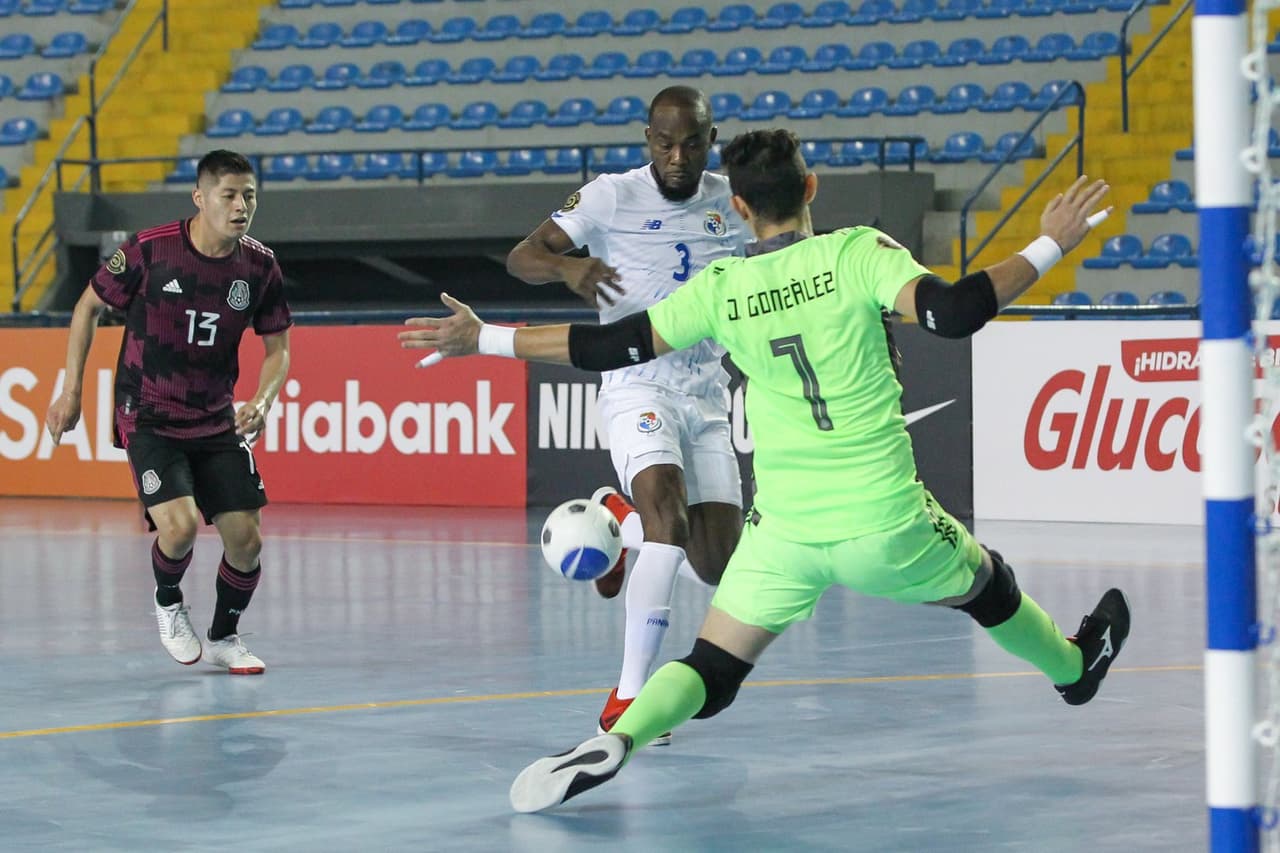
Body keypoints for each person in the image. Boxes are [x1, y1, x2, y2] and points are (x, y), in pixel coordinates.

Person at [399, 128, 1129, 814]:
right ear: (811, 187)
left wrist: (484, 337)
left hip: (783, 533)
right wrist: (1048, 243)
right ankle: (1072, 667)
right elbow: (952, 312)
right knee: (987, 584)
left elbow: (610, 346)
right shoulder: (858, 253)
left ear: (739, 208)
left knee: (714, 661)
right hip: (886, 521)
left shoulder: (724, 288)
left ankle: (621, 735)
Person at [504, 85, 751, 741]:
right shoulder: (610, 195)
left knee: (719, 566)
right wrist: (568, 271)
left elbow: (788, 251)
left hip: (706, 395)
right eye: (664, 143)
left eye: (691, 143)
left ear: (710, 139)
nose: (676, 156)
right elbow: (521, 255)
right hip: (635, 383)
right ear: (648, 139)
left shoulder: (735, 199)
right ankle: (630, 693)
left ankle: (617, 523)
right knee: (667, 522)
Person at [45, 149, 292, 675]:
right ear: (200, 198)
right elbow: (88, 306)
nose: (241, 205)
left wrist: (263, 399)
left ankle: (225, 636)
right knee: (177, 528)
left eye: (249, 195)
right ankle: (168, 600)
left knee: (246, 539)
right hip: (149, 412)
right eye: (228, 195)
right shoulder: (150, 251)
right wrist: (71, 391)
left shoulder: (260, 265)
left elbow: (279, 350)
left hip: (216, 417)